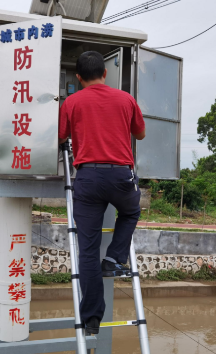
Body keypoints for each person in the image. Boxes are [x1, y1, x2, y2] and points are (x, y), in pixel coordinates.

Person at [58, 51, 146, 334]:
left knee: (87, 250)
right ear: (105, 73)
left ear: (78, 77)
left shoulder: (72, 102)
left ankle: (92, 319)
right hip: (121, 175)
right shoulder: (126, 99)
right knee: (131, 211)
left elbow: (61, 136)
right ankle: (114, 258)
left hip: (88, 178)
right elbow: (140, 134)